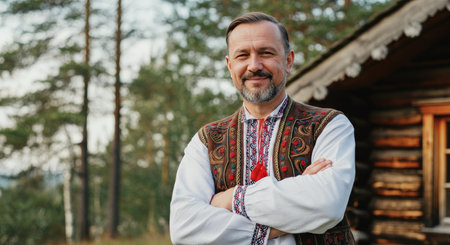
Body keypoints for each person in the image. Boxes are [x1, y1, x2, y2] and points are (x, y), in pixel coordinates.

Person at [170, 12, 355, 245]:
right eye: (242, 56)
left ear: (288, 61)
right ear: (230, 66)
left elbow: (328, 205)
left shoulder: (329, 125)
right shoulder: (207, 141)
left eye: (266, 53)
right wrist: (293, 209)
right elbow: (184, 229)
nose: (254, 65)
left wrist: (230, 200)